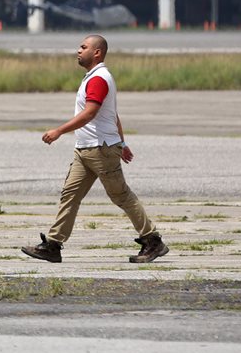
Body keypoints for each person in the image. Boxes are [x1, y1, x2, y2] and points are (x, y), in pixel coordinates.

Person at [22, 34, 168, 264]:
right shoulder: (92, 77)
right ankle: (53, 245)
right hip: (85, 150)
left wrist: (59, 131)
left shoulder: (99, 78)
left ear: (97, 52)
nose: (78, 50)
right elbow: (112, 114)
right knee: (70, 196)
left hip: (101, 149)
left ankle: (153, 240)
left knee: (121, 196)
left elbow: (91, 112)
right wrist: (124, 142)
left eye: (84, 47)